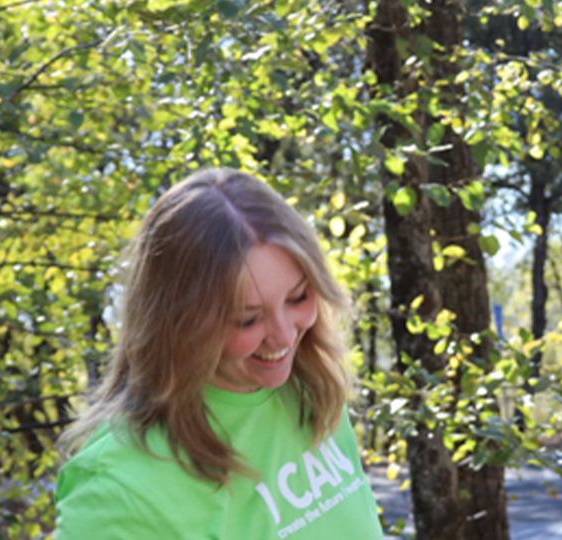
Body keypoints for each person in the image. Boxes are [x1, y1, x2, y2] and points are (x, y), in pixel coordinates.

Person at [52, 169, 382, 539]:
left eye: (299, 298)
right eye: (247, 320)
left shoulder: (312, 388)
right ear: (179, 324)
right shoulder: (118, 487)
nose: (284, 336)